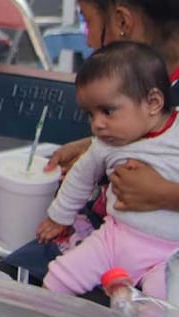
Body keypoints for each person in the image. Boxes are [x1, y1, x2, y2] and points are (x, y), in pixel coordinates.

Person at [0, 0, 179, 288]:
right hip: (98, 242)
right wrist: (91, 145)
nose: (89, 40)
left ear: (122, 21)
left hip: (157, 270)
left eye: (87, 22)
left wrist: (165, 194)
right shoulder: (148, 83)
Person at [37, 42, 179, 299]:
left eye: (107, 111)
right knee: (59, 277)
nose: (98, 125)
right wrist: (60, 217)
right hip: (114, 237)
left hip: (170, 252)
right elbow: (80, 177)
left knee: (162, 303)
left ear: (153, 102)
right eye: (90, 115)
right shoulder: (104, 145)